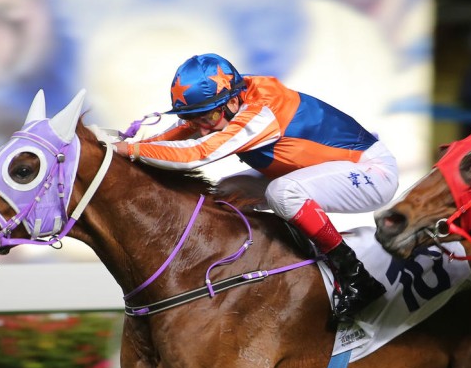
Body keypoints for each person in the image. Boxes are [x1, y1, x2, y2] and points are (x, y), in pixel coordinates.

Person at [115, 52, 396, 320]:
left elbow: (196, 153)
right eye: (193, 118)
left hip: (372, 173)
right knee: (227, 193)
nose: (201, 128)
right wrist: (118, 147)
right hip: (313, 170)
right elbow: (177, 135)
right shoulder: (226, 99)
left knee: (283, 193)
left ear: (233, 102)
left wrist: (129, 150)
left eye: (208, 119)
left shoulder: (262, 111)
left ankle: (356, 276)